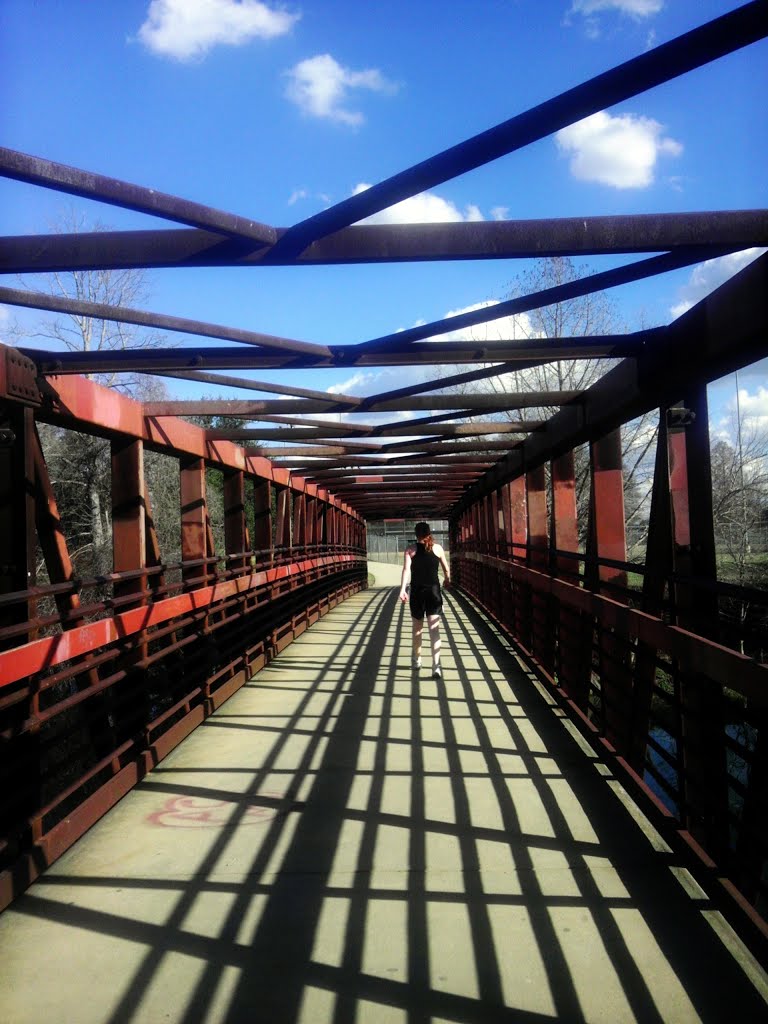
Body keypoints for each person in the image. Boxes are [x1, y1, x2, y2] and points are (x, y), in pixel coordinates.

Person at [399, 522, 450, 678]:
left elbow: (406, 570)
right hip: (434, 593)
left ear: (416, 534)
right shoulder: (438, 549)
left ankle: (417, 659)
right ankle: (436, 666)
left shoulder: (410, 550)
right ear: (429, 533)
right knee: (434, 631)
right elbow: (446, 570)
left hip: (417, 593)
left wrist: (402, 589)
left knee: (417, 629)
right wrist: (447, 580)